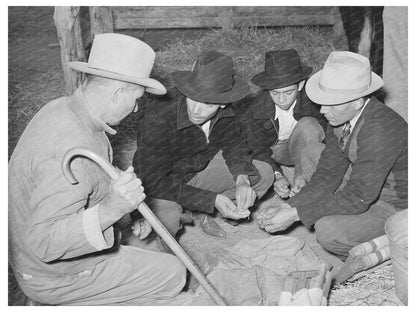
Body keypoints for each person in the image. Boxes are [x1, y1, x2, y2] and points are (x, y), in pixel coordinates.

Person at [8, 33, 187, 305]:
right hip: (53, 275)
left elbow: (89, 188)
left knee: (163, 220)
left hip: (33, 256)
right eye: (136, 98)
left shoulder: (64, 109)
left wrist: (124, 215)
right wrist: (115, 209)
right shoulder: (70, 148)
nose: (137, 108)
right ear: (117, 93)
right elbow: (43, 242)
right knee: (174, 274)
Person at [257, 51, 407, 260]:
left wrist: (296, 215)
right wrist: (289, 205)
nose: (324, 110)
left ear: (357, 101)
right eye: (323, 101)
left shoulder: (380, 128)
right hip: (365, 182)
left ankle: (395, 246)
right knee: (311, 154)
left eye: (333, 103)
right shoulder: (341, 117)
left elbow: (358, 197)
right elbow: (328, 174)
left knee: (328, 231)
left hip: (394, 203)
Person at [134, 50, 274, 241]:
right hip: (164, 183)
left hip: (197, 173)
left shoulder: (226, 109)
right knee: (168, 219)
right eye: (193, 98)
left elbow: (234, 145)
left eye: (208, 104)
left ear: (223, 103)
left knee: (263, 174)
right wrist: (210, 199)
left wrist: (242, 180)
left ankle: (209, 212)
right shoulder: (158, 115)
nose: (197, 111)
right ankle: (191, 212)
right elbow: (152, 180)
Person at [236, 49, 326, 199]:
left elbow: (327, 135)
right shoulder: (254, 110)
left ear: (301, 85)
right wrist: (277, 175)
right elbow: (256, 149)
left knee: (309, 125)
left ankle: (302, 180)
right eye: (275, 93)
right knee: (260, 172)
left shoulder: (314, 102)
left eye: (288, 92)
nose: (281, 99)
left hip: (302, 146)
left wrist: (303, 174)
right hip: (272, 151)